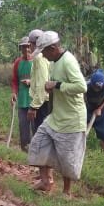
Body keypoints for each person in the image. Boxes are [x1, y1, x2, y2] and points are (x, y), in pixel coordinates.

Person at [26, 30, 87, 197]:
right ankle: (45, 181)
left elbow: (82, 87)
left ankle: (67, 192)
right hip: (55, 117)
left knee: (67, 157)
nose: (43, 56)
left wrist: (57, 85)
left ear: (53, 48)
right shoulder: (53, 62)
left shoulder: (68, 61)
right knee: (38, 144)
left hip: (72, 119)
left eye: (44, 52)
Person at [26, 28, 50, 136]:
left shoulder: (39, 58)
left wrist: (34, 107)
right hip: (43, 101)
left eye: (29, 44)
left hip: (43, 103)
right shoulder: (41, 56)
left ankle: (41, 153)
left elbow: (42, 84)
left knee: (40, 134)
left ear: (32, 44)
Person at [10, 37, 33, 151]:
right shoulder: (18, 62)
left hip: (35, 101)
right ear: (21, 48)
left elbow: (44, 80)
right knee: (23, 127)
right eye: (24, 47)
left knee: (36, 127)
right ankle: (24, 150)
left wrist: (31, 82)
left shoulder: (37, 60)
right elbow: (14, 80)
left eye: (28, 46)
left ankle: (35, 151)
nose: (27, 49)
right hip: (22, 100)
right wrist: (14, 93)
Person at [85, 68, 104, 152]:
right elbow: (82, 101)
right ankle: (82, 154)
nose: (97, 89)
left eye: (99, 88)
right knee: (82, 134)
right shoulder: (85, 86)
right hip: (88, 109)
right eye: (95, 87)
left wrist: (100, 108)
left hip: (103, 110)